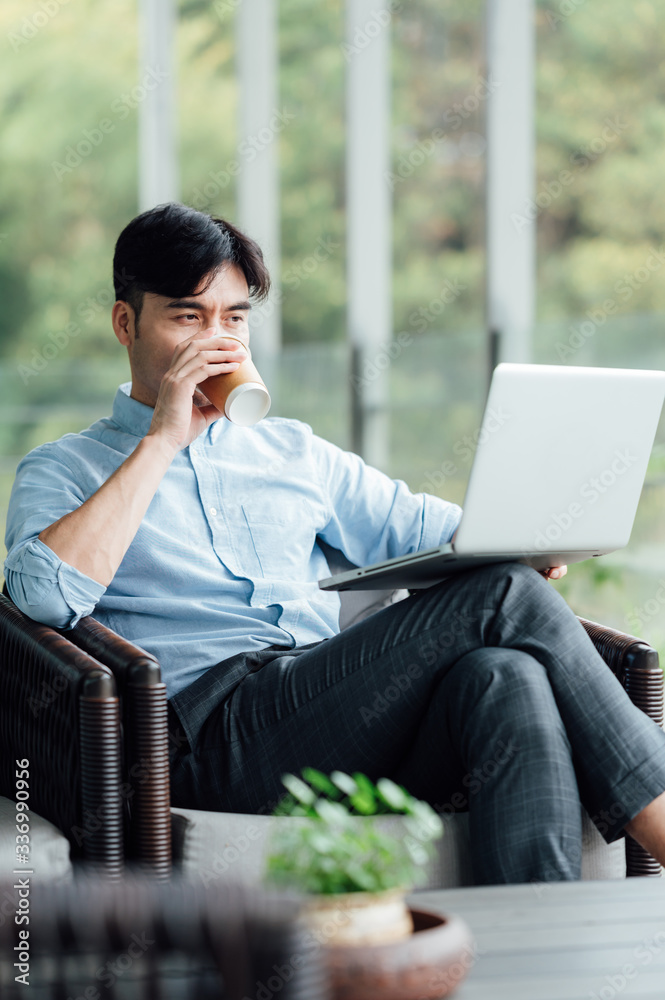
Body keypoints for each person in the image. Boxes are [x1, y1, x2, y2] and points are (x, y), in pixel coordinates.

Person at [5, 202, 665, 885]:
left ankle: (538, 961)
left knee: (503, 676)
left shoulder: (292, 450)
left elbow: (429, 529)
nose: (218, 340)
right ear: (126, 323)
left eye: (234, 318)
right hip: (206, 739)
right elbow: (41, 598)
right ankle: (659, 816)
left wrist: (526, 536)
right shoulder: (67, 468)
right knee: (503, 595)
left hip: (330, 716)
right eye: (187, 316)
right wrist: (162, 440)